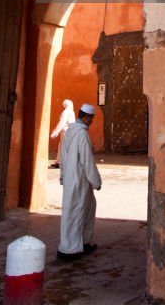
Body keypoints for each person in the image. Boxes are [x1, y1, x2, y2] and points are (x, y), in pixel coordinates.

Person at [57, 103, 102, 261]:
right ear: (87, 117)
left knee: (88, 207)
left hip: (71, 178)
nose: (92, 121)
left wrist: (62, 175)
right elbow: (87, 160)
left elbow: (62, 155)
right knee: (76, 212)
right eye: (92, 118)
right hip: (79, 180)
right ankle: (70, 248)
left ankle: (84, 241)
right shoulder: (82, 135)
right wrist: (96, 181)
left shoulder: (70, 132)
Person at [50, 98, 75, 167]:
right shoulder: (71, 112)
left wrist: (56, 131)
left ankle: (62, 163)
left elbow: (62, 122)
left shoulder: (66, 112)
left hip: (65, 131)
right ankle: (59, 162)